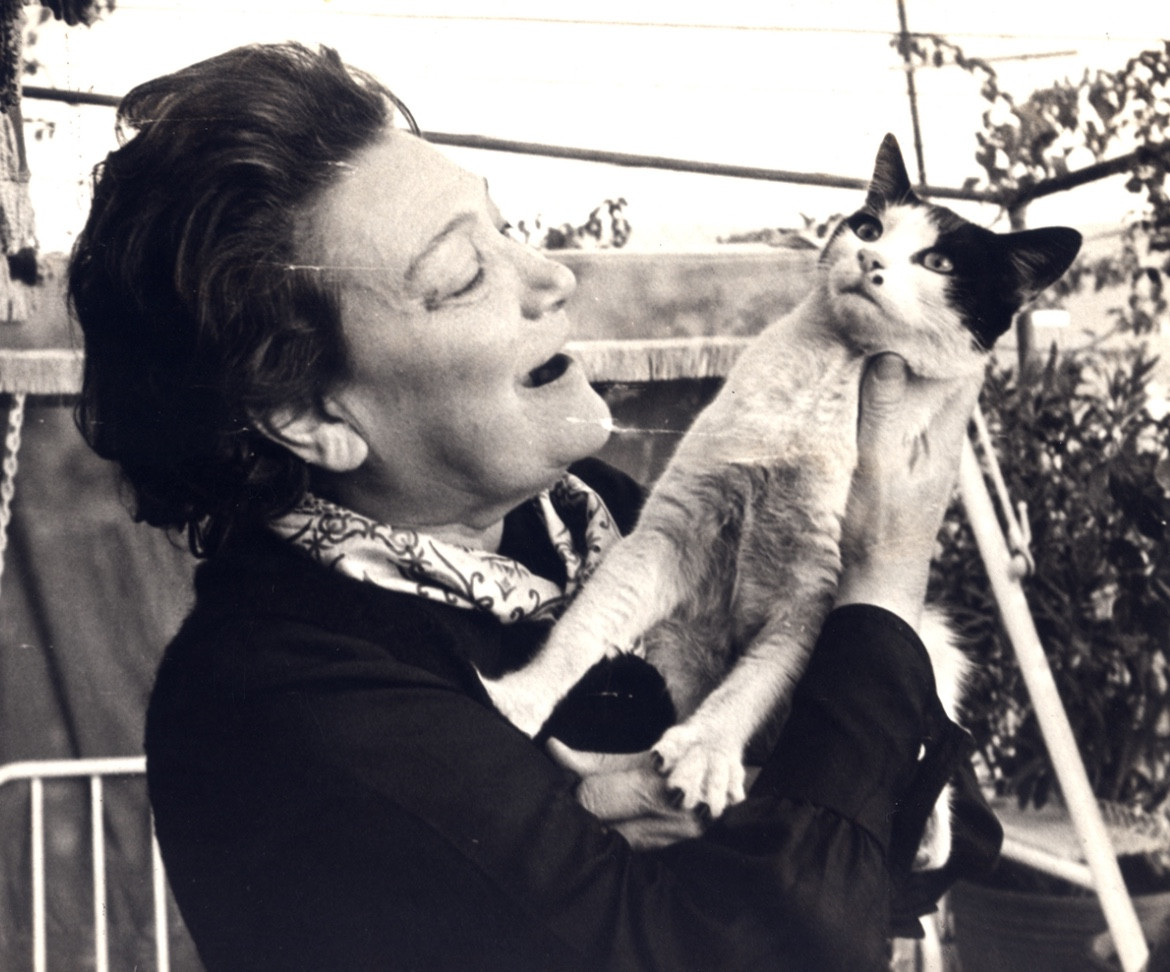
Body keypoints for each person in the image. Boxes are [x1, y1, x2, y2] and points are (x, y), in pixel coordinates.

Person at [70, 42, 1000, 972]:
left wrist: (739, 824)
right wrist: (879, 584)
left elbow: (948, 834)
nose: (553, 276)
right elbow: (780, 941)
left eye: (507, 226)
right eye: (463, 276)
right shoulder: (279, 697)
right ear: (312, 415)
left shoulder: (585, 514)